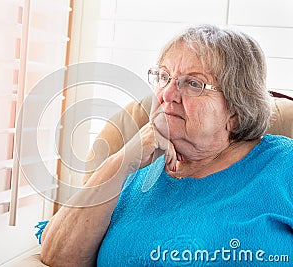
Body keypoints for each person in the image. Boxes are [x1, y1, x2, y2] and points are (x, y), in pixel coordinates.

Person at [38, 25, 293, 266]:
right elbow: (58, 257)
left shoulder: (284, 165)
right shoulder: (132, 170)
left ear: (236, 110)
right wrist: (122, 161)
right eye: (164, 77)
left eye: (193, 83)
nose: (167, 94)